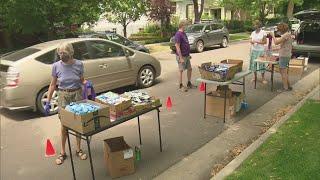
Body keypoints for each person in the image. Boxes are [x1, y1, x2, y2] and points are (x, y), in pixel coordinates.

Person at [46, 43, 88, 165]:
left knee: (77, 124)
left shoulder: (79, 64)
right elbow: (53, 84)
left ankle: (78, 149)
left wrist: (87, 83)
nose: (61, 55)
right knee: (64, 125)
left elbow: (81, 80)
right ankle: (63, 152)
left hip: (77, 95)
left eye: (64, 53)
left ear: (71, 52)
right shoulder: (56, 66)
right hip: (63, 96)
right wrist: (48, 102)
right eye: (59, 53)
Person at [175, 20, 196, 92]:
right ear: (182, 26)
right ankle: (180, 85)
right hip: (182, 56)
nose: (187, 27)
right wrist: (180, 58)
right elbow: (177, 46)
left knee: (189, 69)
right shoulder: (178, 34)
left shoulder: (184, 33)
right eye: (186, 26)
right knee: (181, 70)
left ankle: (189, 83)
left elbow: (186, 44)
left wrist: (188, 55)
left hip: (186, 55)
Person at [271, 23, 293, 91]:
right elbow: (284, 45)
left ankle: (285, 88)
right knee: (285, 72)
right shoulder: (288, 34)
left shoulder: (285, 35)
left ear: (282, 29)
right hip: (286, 54)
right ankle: (289, 86)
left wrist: (273, 35)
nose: (278, 31)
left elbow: (276, 42)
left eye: (278, 29)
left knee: (283, 72)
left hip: (284, 55)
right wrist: (276, 49)